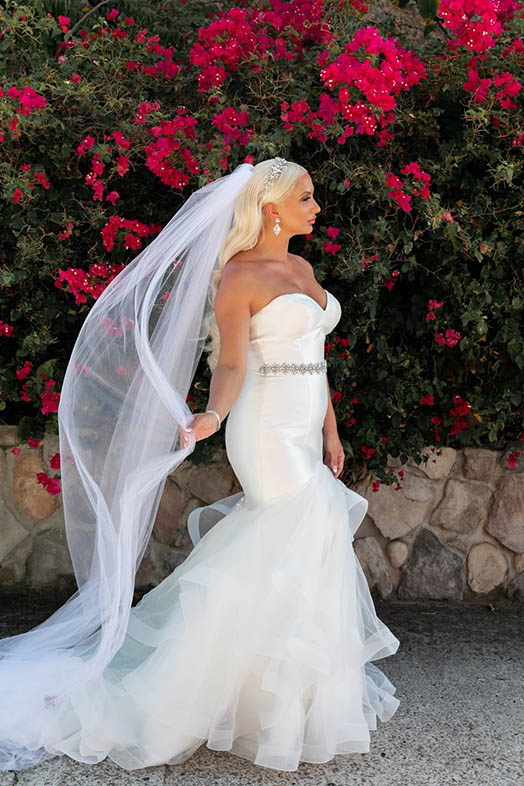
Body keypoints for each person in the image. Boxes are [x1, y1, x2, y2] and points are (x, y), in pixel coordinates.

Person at [0, 157, 400, 773]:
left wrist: (330, 426)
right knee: (298, 527)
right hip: (264, 427)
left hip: (304, 419)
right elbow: (233, 364)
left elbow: (315, 358)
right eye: (307, 197)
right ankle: (189, 695)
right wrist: (212, 416)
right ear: (271, 208)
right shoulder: (240, 275)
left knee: (305, 546)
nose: (316, 207)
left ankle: (271, 701)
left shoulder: (301, 267)